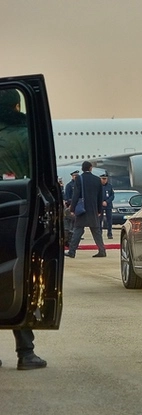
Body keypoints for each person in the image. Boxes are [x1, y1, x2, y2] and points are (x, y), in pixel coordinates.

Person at [0, 89, 47, 370]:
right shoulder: (28, 135)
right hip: (21, 212)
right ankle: (25, 352)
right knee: (22, 278)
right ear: (17, 105)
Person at [65, 160, 106, 258]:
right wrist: (99, 210)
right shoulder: (97, 179)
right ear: (91, 168)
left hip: (82, 209)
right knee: (96, 232)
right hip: (93, 209)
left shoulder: (80, 178)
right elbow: (100, 196)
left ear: (82, 169)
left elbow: (76, 195)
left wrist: (72, 208)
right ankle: (102, 250)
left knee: (77, 230)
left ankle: (72, 251)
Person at [100, 174, 115, 239]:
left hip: (108, 205)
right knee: (99, 220)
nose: (104, 180)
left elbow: (112, 196)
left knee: (109, 220)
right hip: (100, 205)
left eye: (105, 179)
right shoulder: (98, 186)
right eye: (103, 179)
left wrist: (107, 201)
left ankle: (109, 233)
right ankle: (99, 233)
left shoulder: (109, 186)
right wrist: (101, 202)